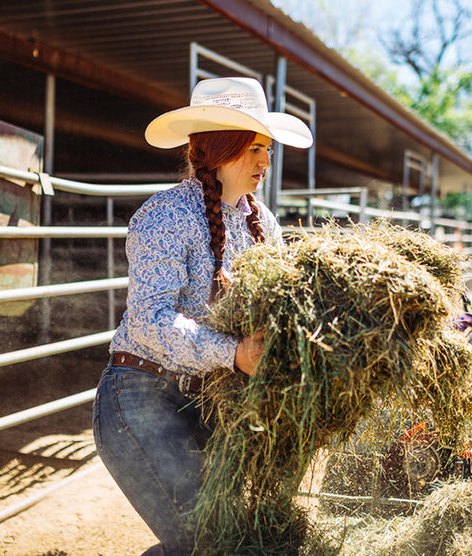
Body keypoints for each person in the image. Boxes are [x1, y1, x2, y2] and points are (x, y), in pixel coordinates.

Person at [92, 77, 313, 556]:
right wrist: (232, 352)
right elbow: (150, 320)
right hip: (143, 394)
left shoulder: (264, 224)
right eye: (255, 148)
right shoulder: (166, 215)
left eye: (267, 149)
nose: (266, 161)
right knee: (205, 541)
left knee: (231, 535)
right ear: (220, 147)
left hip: (210, 402)